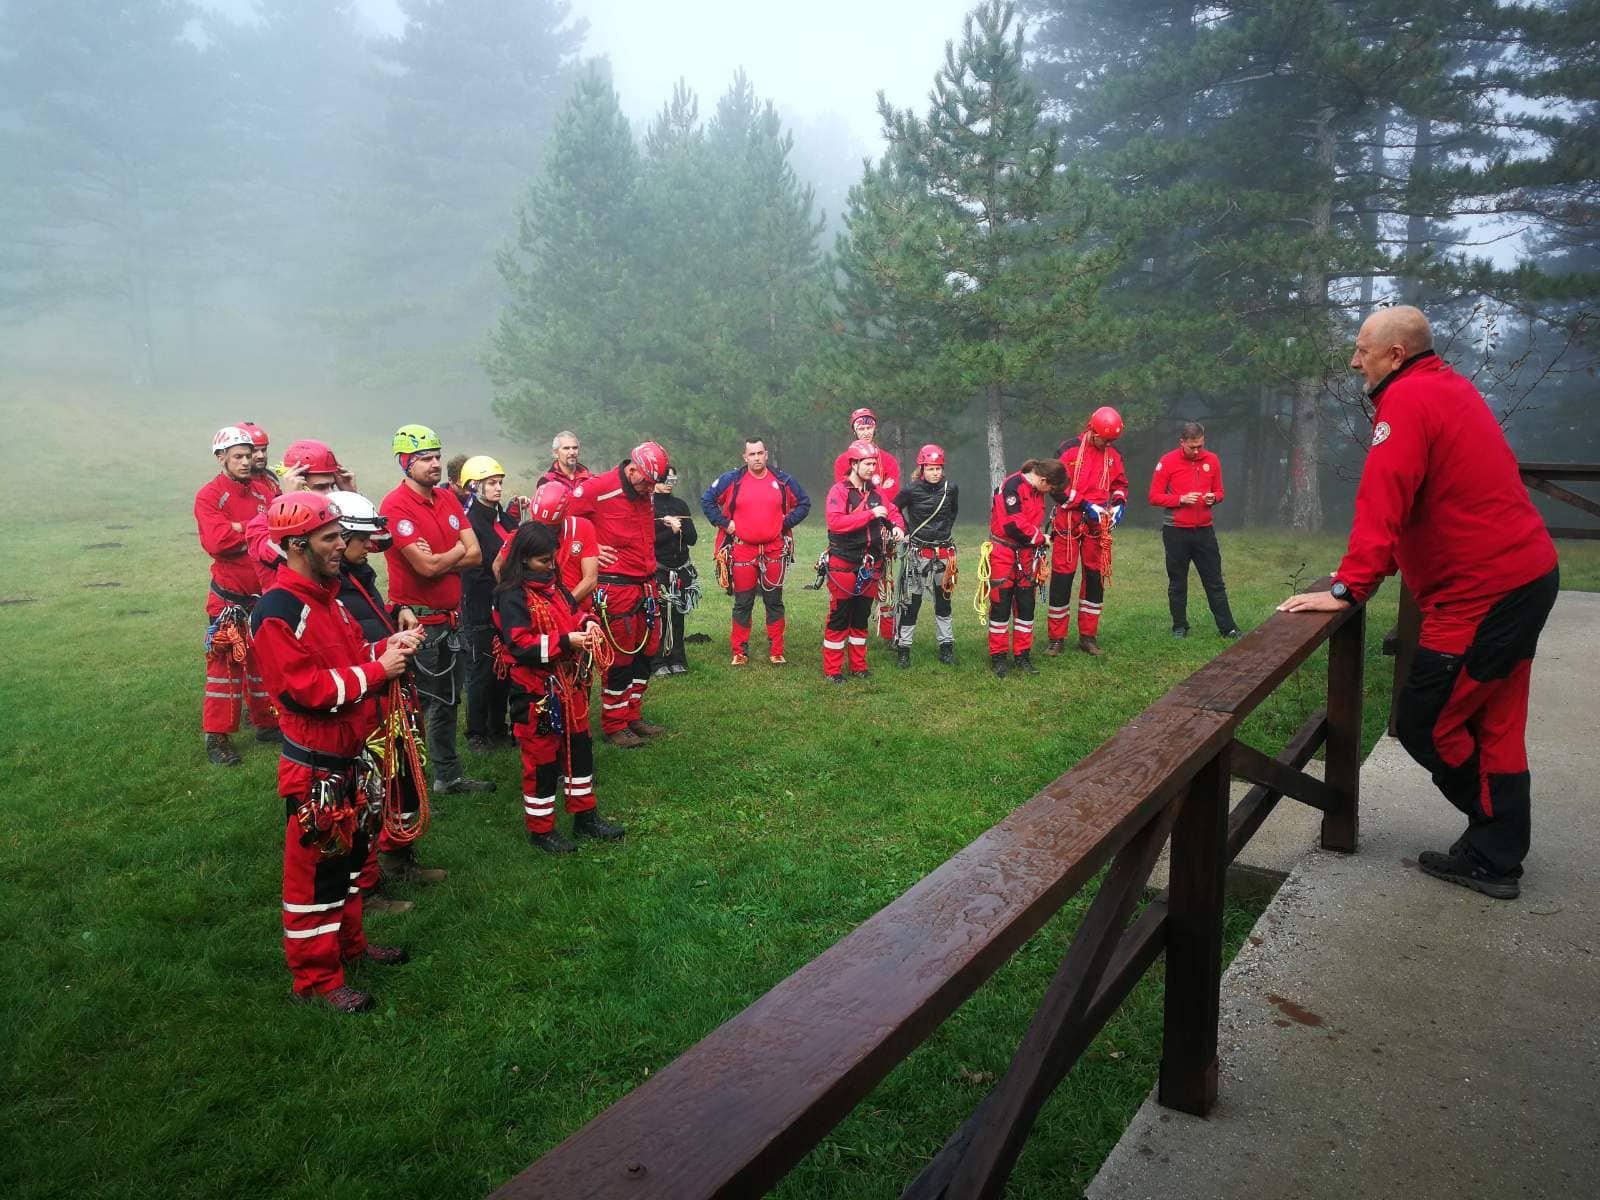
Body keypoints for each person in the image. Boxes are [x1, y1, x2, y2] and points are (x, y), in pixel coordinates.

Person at [1280, 304, 1559, 900]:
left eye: (1362, 349)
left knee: (1426, 723)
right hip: (1522, 576)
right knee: (1496, 722)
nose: (1355, 360)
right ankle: (1495, 855)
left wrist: (1348, 588)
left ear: (1394, 355)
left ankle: (1496, 840)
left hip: (1485, 593)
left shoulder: (1406, 402)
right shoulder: (1448, 388)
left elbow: (1385, 496)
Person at [249, 491, 423, 1014]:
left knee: (348, 865)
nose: (341, 547)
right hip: (314, 769)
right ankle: (318, 982)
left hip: (345, 761)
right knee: (314, 879)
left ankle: (352, 948)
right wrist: (376, 672)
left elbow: (348, 657)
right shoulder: (278, 611)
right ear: (296, 544)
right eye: (331, 538)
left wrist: (387, 649)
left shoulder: (329, 600)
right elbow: (301, 689)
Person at [327, 492, 443, 913]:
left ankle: (398, 857)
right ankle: (367, 888)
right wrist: (385, 651)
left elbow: (369, 614)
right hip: (364, 703)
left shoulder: (358, 574)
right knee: (368, 795)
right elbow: (341, 649)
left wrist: (398, 610)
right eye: (361, 540)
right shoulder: (329, 588)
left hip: (388, 694)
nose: (369, 547)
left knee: (403, 776)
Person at [495, 522, 626, 853]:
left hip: (570, 689)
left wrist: (588, 623)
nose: (551, 565)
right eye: (543, 561)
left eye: (552, 558)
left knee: (581, 750)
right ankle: (542, 830)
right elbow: (519, 644)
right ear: (524, 559)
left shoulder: (554, 586)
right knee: (542, 762)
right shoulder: (511, 595)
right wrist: (566, 641)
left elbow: (573, 613)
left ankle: (586, 817)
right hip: (535, 693)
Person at [379, 424, 494, 795]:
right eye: (425, 458)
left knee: (447, 702)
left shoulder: (446, 499)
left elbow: (475, 555)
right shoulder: (395, 505)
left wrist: (446, 556)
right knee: (424, 704)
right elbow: (423, 568)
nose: (435, 464)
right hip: (419, 622)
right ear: (405, 463)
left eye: (437, 456)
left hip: (450, 619)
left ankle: (446, 776)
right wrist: (457, 552)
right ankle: (416, 779)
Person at [568, 442, 671, 748]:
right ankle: (614, 724)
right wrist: (591, 548)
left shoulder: (645, 490)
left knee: (647, 653)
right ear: (632, 468)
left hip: (646, 583)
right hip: (616, 587)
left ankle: (632, 715)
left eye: (654, 484)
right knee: (620, 657)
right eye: (646, 482)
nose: (649, 489)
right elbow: (562, 521)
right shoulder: (597, 489)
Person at [195, 426, 281, 765]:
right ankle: (217, 738)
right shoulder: (209, 495)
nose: (247, 462)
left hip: (259, 595)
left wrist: (238, 527)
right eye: (239, 457)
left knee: (263, 663)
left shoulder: (262, 491)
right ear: (221, 458)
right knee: (225, 668)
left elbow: (278, 527)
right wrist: (253, 529)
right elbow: (217, 543)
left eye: (249, 455)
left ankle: (267, 723)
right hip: (228, 601)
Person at [701, 437, 810, 666]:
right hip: (742, 549)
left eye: (760, 453)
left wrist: (786, 522)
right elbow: (707, 500)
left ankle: (777, 650)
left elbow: (804, 502)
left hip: (774, 549)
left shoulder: (782, 479)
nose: (757, 458)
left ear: (766, 454)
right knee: (743, 601)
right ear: (745, 457)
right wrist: (724, 523)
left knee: (774, 600)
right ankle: (739, 651)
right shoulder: (732, 480)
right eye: (752, 454)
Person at [1047, 407, 1129, 657]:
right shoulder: (1068, 450)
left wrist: (1118, 505)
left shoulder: (1113, 455)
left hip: (1098, 527)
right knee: (1062, 579)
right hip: (1068, 523)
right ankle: (1056, 638)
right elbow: (1055, 488)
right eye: (1105, 438)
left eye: (1112, 440)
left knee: (1095, 579)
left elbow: (1119, 485)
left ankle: (1088, 637)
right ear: (1092, 430)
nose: (1108, 444)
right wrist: (1085, 505)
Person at [1149, 421, 1241, 640]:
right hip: (1175, 532)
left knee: (1215, 581)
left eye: (1200, 445)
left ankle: (1228, 628)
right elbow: (1154, 496)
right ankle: (1179, 626)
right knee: (1178, 581)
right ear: (1182, 442)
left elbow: (1219, 492)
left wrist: (1214, 498)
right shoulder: (1167, 461)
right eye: (1192, 447)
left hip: (1204, 531)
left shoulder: (1212, 460)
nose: (1197, 451)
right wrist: (1180, 499)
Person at [823, 439, 906, 682]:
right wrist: (869, 514)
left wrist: (898, 528)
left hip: (871, 565)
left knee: (860, 617)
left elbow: (892, 512)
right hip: (844, 563)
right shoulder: (838, 492)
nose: (872, 468)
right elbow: (835, 522)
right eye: (867, 464)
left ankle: (858, 666)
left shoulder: (876, 493)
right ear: (854, 464)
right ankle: (833, 670)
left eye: (874, 464)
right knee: (840, 617)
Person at [459, 456, 519, 753]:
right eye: (492, 483)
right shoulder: (470, 522)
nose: (498, 488)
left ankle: (498, 727)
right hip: (481, 607)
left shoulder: (502, 517)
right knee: (481, 670)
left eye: (499, 483)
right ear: (474, 486)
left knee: (503, 669)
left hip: (504, 604)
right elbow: (473, 574)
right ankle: (476, 733)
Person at [986, 458, 1066, 677]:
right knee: (1000, 606)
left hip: (1027, 554)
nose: (1050, 492)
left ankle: (1022, 655)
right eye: (1050, 487)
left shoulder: (1037, 491)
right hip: (1003, 552)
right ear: (1043, 479)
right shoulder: (1011, 487)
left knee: (1026, 606)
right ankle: (998, 657)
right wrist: (1041, 537)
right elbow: (1013, 524)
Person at [832, 409, 903, 641]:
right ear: (854, 429)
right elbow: (847, 494)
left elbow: (889, 494)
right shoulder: (843, 460)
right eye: (861, 428)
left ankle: (886, 633)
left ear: (875, 428)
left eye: (869, 427)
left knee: (885, 579)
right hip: (855, 528)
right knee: (852, 580)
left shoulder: (889, 460)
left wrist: (888, 520)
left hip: (883, 523)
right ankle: (847, 625)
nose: (865, 432)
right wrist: (870, 511)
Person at [893, 444, 960, 668]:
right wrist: (903, 530)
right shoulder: (911, 490)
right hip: (917, 554)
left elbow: (952, 514)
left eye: (938, 468)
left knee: (944, 602)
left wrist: (942, 534)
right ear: (922, 468)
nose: (935, 473)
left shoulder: (951, 489)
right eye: (930, 468)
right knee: (912, 602)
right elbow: (893, 509)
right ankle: (903, 648)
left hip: (942, 553)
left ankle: (946, 647)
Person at [652, 468, 700, 675]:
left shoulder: (680, 505)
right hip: (659, 569)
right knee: (659, 616)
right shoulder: (648, 505)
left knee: (678, 614)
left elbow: (692, 538)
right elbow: (648, 541)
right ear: (654, 480)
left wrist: (681, 527)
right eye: (664, 479)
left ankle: (678, 657)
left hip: (680, 568)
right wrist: (667, 529)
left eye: (672, 478)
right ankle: (658, 661)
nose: (669, 482)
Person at [238, 422, 279, 496]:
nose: (261, 456)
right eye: (254, 451)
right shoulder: (236, 485)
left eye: (263, 450)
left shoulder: (271, 478)